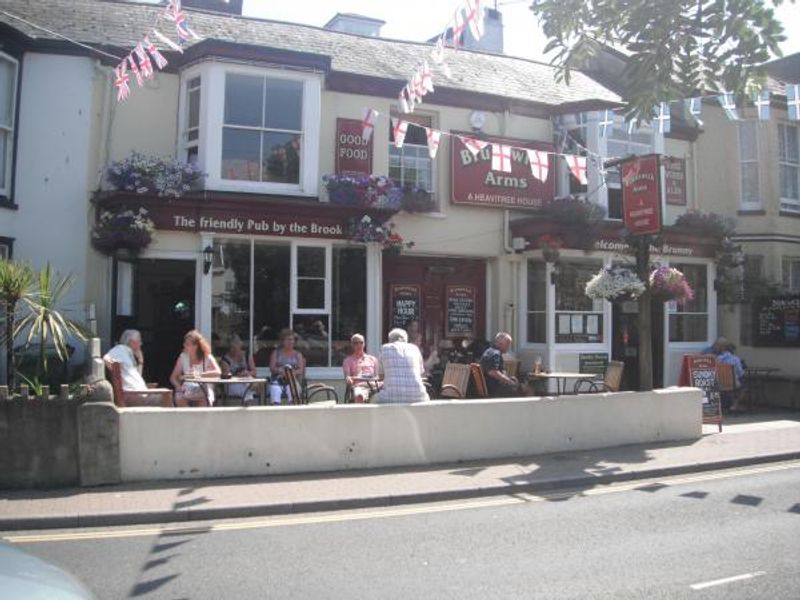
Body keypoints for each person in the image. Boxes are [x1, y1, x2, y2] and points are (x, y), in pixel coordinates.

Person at [103, 329, 165, 405]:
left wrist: (140, 361)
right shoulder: (120, 349)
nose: (141, 344)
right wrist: (114, 371)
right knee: (165, 398)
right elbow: (106, 358)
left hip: (138, 393)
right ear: (131, 342)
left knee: (163, 396)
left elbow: (138, 376)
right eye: (139, 341)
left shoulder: (129, 354)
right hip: (132, 394)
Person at [375, 328, 429, 404]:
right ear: (405, 339)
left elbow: (381, 377)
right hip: (419, 396)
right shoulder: (415, 348)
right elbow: (421, 373)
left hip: (391, 397)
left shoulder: (384, 348)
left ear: (390, 340)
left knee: (373, 399)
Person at [170, 330, 221, 407]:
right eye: (184, 343)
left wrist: (199, 375)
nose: (184, 346)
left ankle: (200, 418)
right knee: (179, 398)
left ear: (196, 346)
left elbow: (218, 372)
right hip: (187, 389)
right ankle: (187, 418)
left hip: (203, 389)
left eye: (187, 344)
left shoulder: (207, 357)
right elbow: (173, 377)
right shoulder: (183, 357)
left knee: (203, 401)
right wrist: (178, 386)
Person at [269, 328, 306, 404]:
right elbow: (272, 368)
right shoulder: (276, 353)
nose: (291, 342)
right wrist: (280, 371)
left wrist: (290, 374)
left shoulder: (298, 354)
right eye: (288, 340)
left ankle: (291, 411)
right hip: (278, 379)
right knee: (275, 389)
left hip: (293, 380)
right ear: (283, 341)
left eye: (292, 340)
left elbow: (301, 370)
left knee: (292, 389)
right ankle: (276, 411)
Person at [480, 332, 521, 397]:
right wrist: (508, 381)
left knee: (515, 381)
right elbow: (493, 372)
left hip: (490, 386)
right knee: (526, 389)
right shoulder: (495, 353)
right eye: (507, 345)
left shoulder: (489, 351)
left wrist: (508, 378)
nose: (508, 348)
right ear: (500, 344)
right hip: (494, 388)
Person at [341, 333, 379, 403]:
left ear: (364, 344)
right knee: (359, 396)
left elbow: (377, 376)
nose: (359, 345)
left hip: (374, 385)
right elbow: (347, 377)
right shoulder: (348, 360)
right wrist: (349, 379)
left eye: (361, 343)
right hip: (359, 386)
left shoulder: (373, 359)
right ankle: (360, 413)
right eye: (356, 343)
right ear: (352, 345)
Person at [220, 335, 257, 404]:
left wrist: (247, 373)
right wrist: (237, 376)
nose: (232, 350)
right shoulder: (225, 360)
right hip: (231, 385)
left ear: (240, 346)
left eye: (235, 348)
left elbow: (254, 372)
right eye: (231, 348)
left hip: (246, 382)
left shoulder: (246, 355)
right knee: (247, 391)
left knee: (254, 387)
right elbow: (226, 376)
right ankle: (249, 410)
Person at [717, 342, 746, 412]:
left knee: (729, 390)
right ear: (733, 351)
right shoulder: (735, 359)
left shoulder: (718, 358)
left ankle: (726, 405)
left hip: (720, 383)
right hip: (733, 384)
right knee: (743, 387)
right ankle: (734, 405)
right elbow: (740, 373)